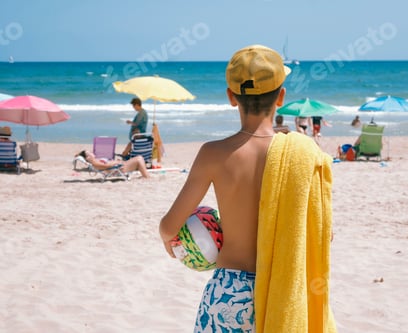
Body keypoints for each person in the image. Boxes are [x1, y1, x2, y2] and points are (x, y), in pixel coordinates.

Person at [159, 45, 336, 332]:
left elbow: (169, 226)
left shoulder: (213, 154)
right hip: (282, 289)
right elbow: (323, 233)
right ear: (281, 97)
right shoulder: (305, 153)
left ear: (231, 97)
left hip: (228, 291)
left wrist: (172, 242)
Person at [77, 150, 150, 179]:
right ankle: (146, 176)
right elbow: (107, 166)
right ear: (88, 158)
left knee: (138, 159)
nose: (92, 153)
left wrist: (115, 161)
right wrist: (116, 162)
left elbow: (107, 165)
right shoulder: (95, 163)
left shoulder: (96, 161)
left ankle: (145, 175)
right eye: (90, 153)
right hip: (118, 169)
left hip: (117, 167)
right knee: (139, 159)